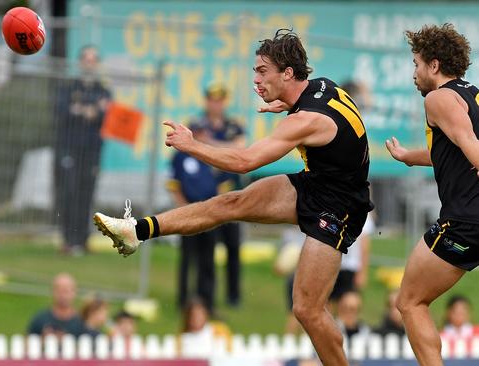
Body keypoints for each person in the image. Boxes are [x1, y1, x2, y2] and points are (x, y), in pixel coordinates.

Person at [94, 28, 373, 364]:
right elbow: (335, 118)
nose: (256, 80)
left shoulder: (305, 120)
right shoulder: (321, 88)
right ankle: (135, 231)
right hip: (319, 183)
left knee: (307, 310)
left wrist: (191, 145)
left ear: (287, 73)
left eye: (262, 72)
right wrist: (284, 102)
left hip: (340, 207)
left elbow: (244, 161)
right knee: (230, 203)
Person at [384, 23, 479, 365]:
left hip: (465, 221)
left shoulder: (439, 98)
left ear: (434, 65)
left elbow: (470, 146)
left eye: (416, 63)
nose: (415, 73)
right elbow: (456, 146)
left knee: (409, 301)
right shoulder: (473, 94)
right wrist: (410, 157)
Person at [53, 45, 112, 255]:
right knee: (69, 193)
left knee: (86, 195)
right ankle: (68, 239)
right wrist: (89, 111)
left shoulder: (103, 90)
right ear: (80, 63)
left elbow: (107, 116)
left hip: (92, 151)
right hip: (70, 149)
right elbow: (62, 111)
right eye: (86, 59)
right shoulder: (69, 88)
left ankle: (82, 239)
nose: (90, 63)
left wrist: (87, 111)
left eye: (93, 59)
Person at [192, 83, 245, 307]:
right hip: (206, 195)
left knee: (233, 247)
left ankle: (233, 296)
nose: (216, 104)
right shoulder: (196, 124)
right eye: (212, 99)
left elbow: (241, 149)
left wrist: (209, 143)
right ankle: (205, 296)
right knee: (206, 250)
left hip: (232, 197)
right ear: (207, 101)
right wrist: (224, 147)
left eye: (220, 100)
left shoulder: (234, 126)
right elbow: (191, 148)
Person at [167, 122, 218, 313]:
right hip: (189, 214)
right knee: (187, 259)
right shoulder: (180, 156)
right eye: (197, 132)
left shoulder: (212, 154)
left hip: (211, 214)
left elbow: (222, 184)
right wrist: (184, 209)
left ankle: (207, 303)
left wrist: (215, 209)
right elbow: (173, 184)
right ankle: (183, 302)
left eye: (203, 132)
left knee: (208, 261)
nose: (201, 135)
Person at [27, 273, 85, 338]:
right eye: (59, 291)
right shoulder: (40, 319)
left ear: (74, 292)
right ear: (53, 291)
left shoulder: (82, 322)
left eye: (66, 291)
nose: (63, 296)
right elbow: (28, 342)